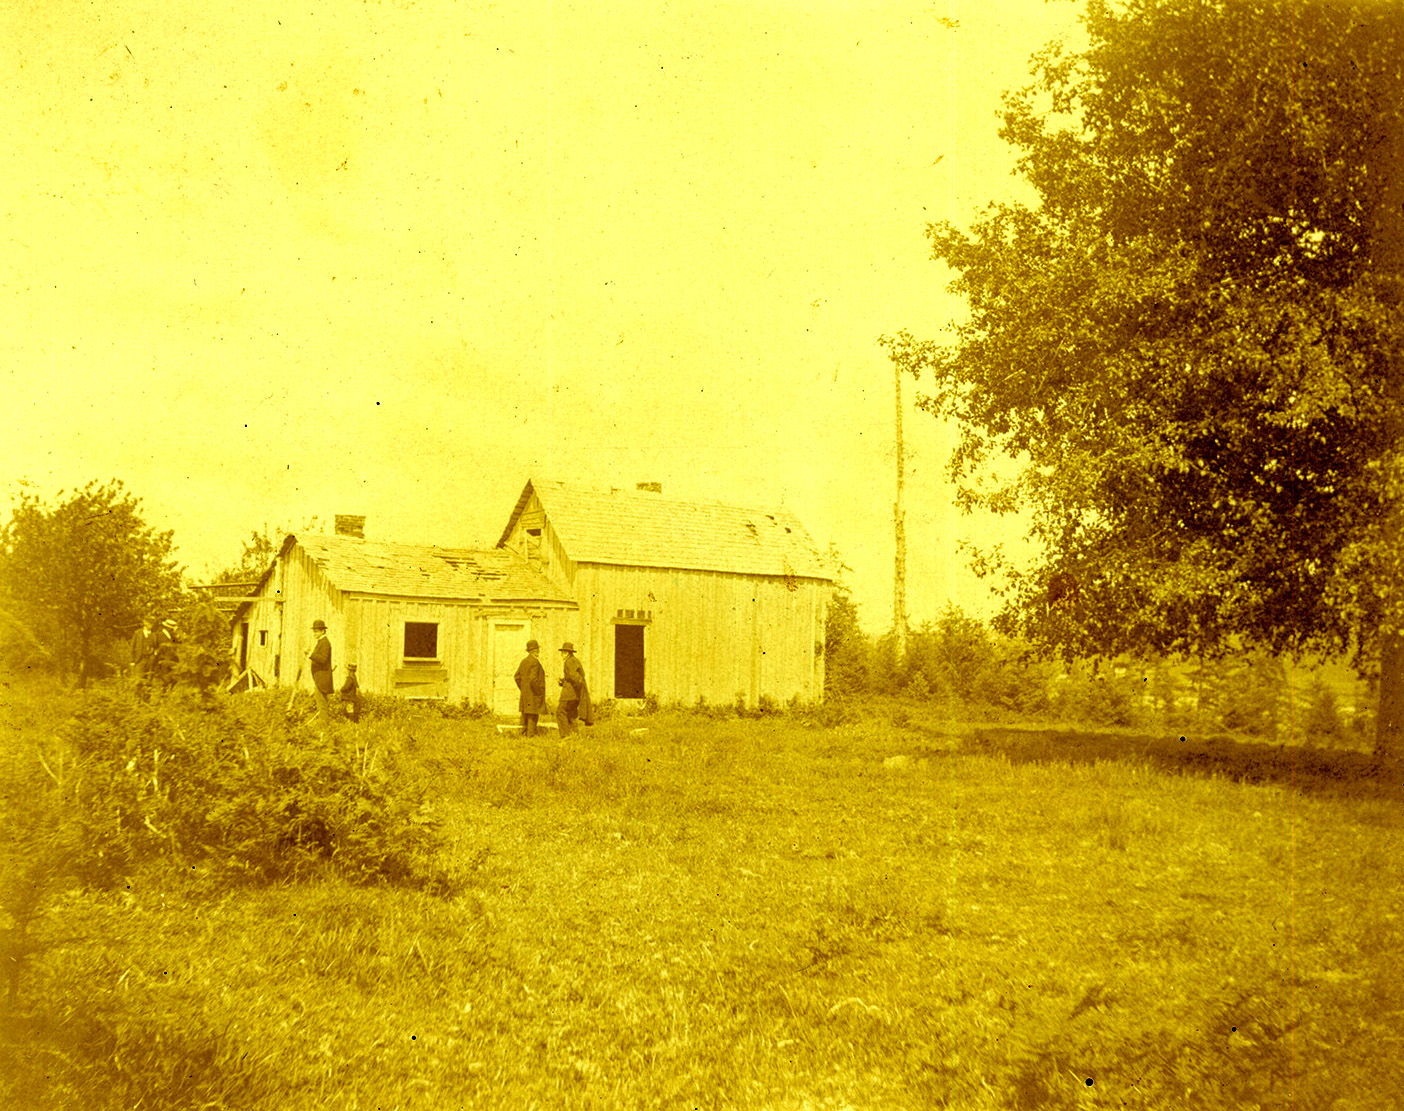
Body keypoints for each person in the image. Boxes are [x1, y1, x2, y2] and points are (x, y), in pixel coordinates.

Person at [556, 642, 592, 736]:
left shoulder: (569, 661)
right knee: (571, 714)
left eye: (562, 652)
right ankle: (574, 734)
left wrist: (575, 687)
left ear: (567, 653)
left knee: (560, 712)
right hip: (574, 694)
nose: (561, 655)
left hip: (569, 694)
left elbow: (574, 677)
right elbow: (574, 677)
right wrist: (563, 681)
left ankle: (565, 735)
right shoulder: (574, 660)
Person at [515, 638, 546, 736]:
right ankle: (530, 736)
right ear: (535, 651)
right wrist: (538, 691)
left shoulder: (524, 661)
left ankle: (521, 735)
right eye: (537, 650)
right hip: (534, 694)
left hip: (525, 694)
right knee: (533, 716)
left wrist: (524, 688)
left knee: (525, 715)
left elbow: (517, 677)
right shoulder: (535, 662)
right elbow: (533, 680)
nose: (539, 652)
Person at [308, 619, 334, 722]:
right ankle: (323, 729)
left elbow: (323, 659)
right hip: (319, 679)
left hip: (322, 681)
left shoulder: (325, 643)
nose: (314, 633)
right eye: (314, 631)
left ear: (323, 631)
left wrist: (311, 654)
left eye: (316, 631)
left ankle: (324, 731)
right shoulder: (321, 642)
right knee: (321, 705)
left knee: (322, 706)